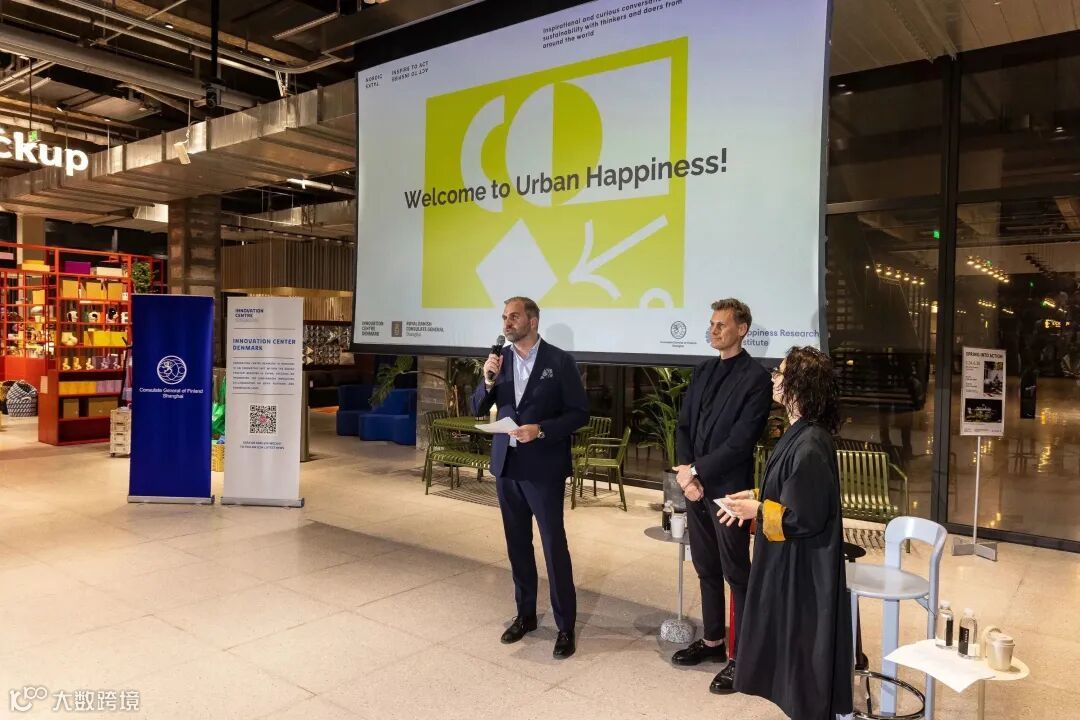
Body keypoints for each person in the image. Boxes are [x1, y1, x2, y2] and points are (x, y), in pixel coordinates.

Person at [719, 346, 853, 720]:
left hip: (804, 571)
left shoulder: (810, 443)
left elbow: (805, 517)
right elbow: (792, 491)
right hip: (793, 563)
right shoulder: (801, 434)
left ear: (799, 385)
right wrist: (756, 497)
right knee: (792, 653)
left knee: (802, 654)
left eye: (779, 373)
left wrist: (758, 511)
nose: (774, 378)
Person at [472, 296, 589, 659]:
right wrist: (487, 382)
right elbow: (476, 406)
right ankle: (525, 616)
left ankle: (565, 626)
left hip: (544, 468)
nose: (507, 323)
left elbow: (579, 414)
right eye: (504, 317)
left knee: (554, 546)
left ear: (533, 321)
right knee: (517, 545)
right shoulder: (499, 361)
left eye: (514, 317)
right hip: (507, 467)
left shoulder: (560, 361)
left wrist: (541, 430)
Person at [670, 298, 772, 694]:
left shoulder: (756, 379)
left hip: (731, 491)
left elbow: (740, 443)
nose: (713, 330)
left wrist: (696, 471)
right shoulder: (703, 370)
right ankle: (713, 641)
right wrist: (687, 474)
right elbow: (683, 426)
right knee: (706, 567)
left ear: (741, 329)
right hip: (696, 487)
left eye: (721, 325)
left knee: (736, 572)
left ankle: (741, 658)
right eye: (711, 324)